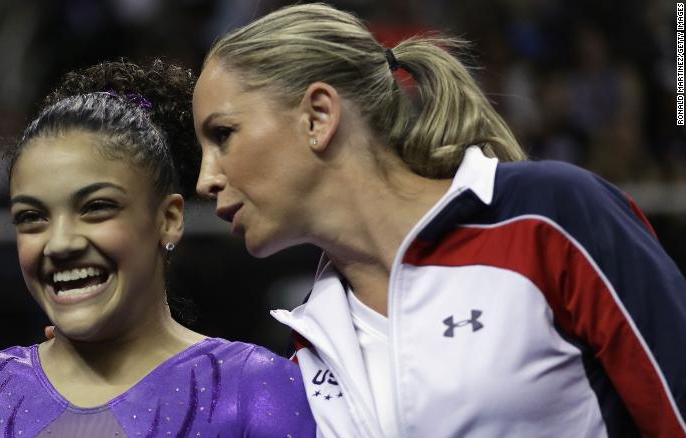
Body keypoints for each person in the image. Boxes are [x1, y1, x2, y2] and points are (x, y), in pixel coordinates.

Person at [191, 3, 686, 437]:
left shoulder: (552, 218)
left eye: (224, 135)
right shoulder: (310, 344)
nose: (204, 179)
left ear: (318, 117)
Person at [0, 59, 316, 438]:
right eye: (32, 217)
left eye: (96, 208)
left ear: (169, 219)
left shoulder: (256, 390)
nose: (60, 243)